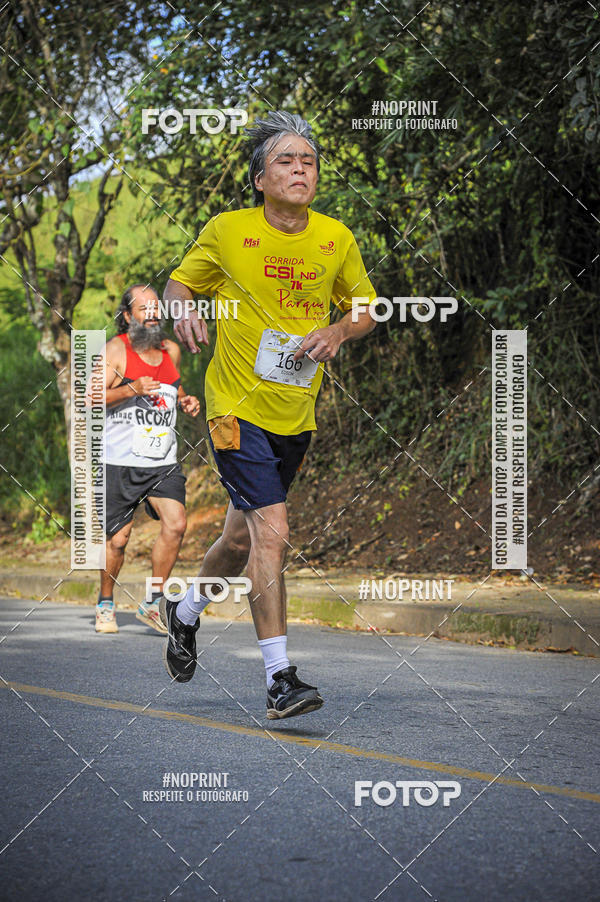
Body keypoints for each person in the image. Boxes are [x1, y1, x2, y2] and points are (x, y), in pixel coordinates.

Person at [161, 111, 377, 718]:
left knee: (239, 539)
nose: (300, 169)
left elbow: (366, 309)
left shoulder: (335, 238)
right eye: (286, 160)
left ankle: (184, 611)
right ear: (260, 179)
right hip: (235, 405)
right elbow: (179, 285)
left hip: (295, 411)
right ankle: (280, 678)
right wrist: (183, 309)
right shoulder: (228, 231)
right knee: (273, 530)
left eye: (308, 160)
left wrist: (339, 330)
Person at [95, 284, 200, 634]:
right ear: (128, 316)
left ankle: (153, 602)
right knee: (118, 539)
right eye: (145, 309)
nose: (153, 315)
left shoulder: (170, 349)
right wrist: (131, 389)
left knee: (176, 524)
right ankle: (105, 602)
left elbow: (172, 387)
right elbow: (90, 396)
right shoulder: (116, 350)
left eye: (156, 308)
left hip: (161, 460)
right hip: (119, 460)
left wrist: (185, 400)